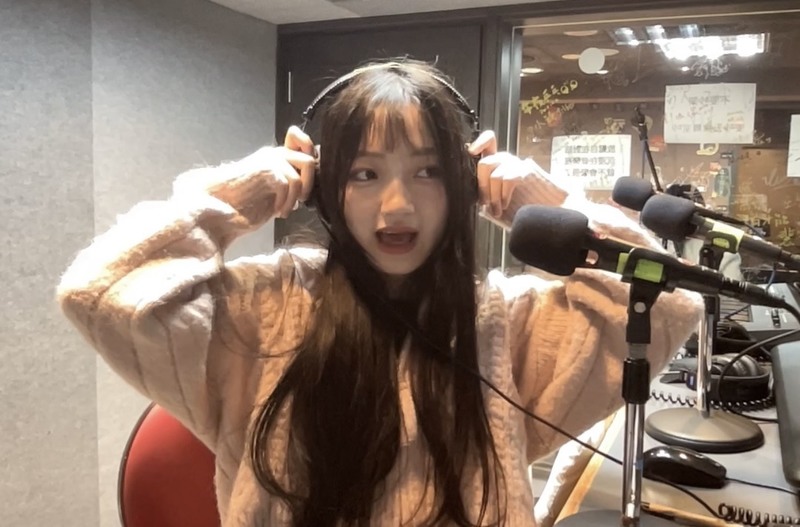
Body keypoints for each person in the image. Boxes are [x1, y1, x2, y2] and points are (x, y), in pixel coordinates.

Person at [57, 60, 702, 526]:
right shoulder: (264, 311)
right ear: (324, 188)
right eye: (365, 174)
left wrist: (538, 202)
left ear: (464, 186)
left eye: (428, 171)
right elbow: (100, 290)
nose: (397, 206)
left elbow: (668, 305)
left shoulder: (503, 326)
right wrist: (249, 189)